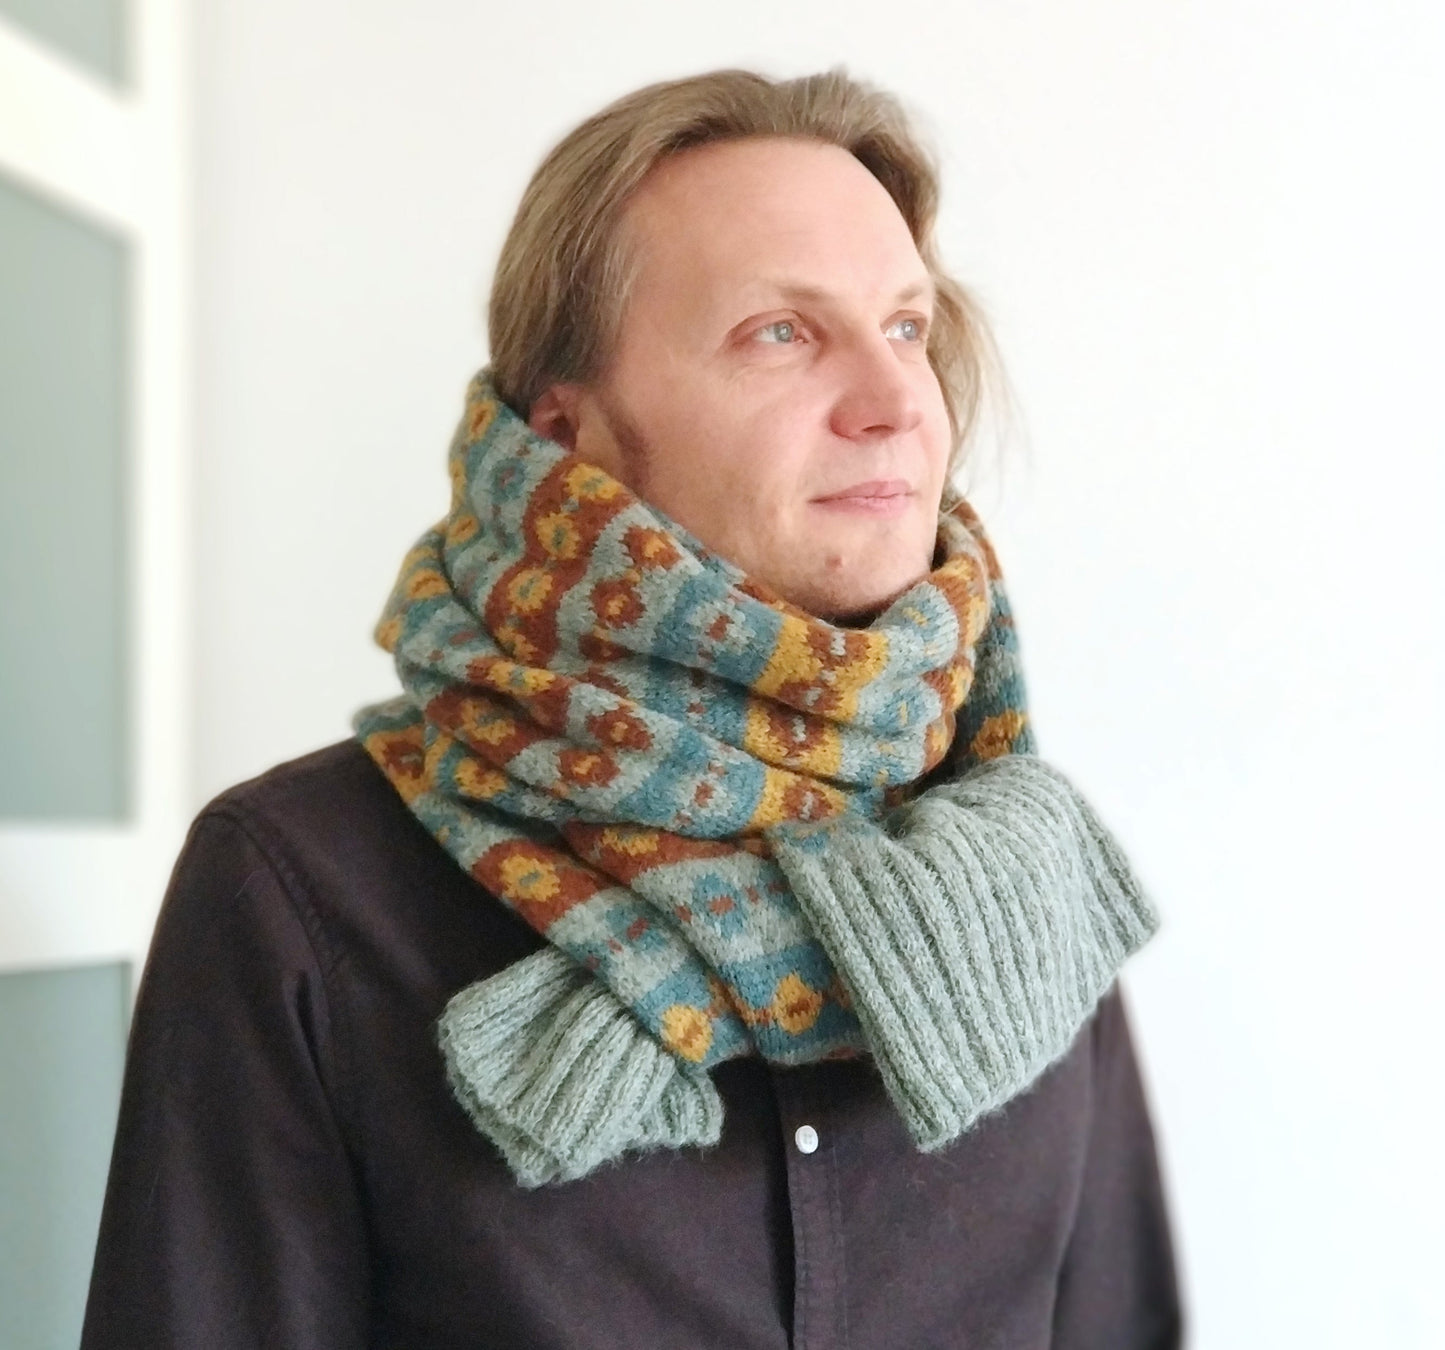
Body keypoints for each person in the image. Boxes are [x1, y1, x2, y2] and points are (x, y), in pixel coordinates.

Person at [82, 68, 1184, 1348]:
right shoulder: (303, 896)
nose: (892, 403)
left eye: (903, 327)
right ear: (574, 431)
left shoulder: (1021, 872)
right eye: (780, 331)